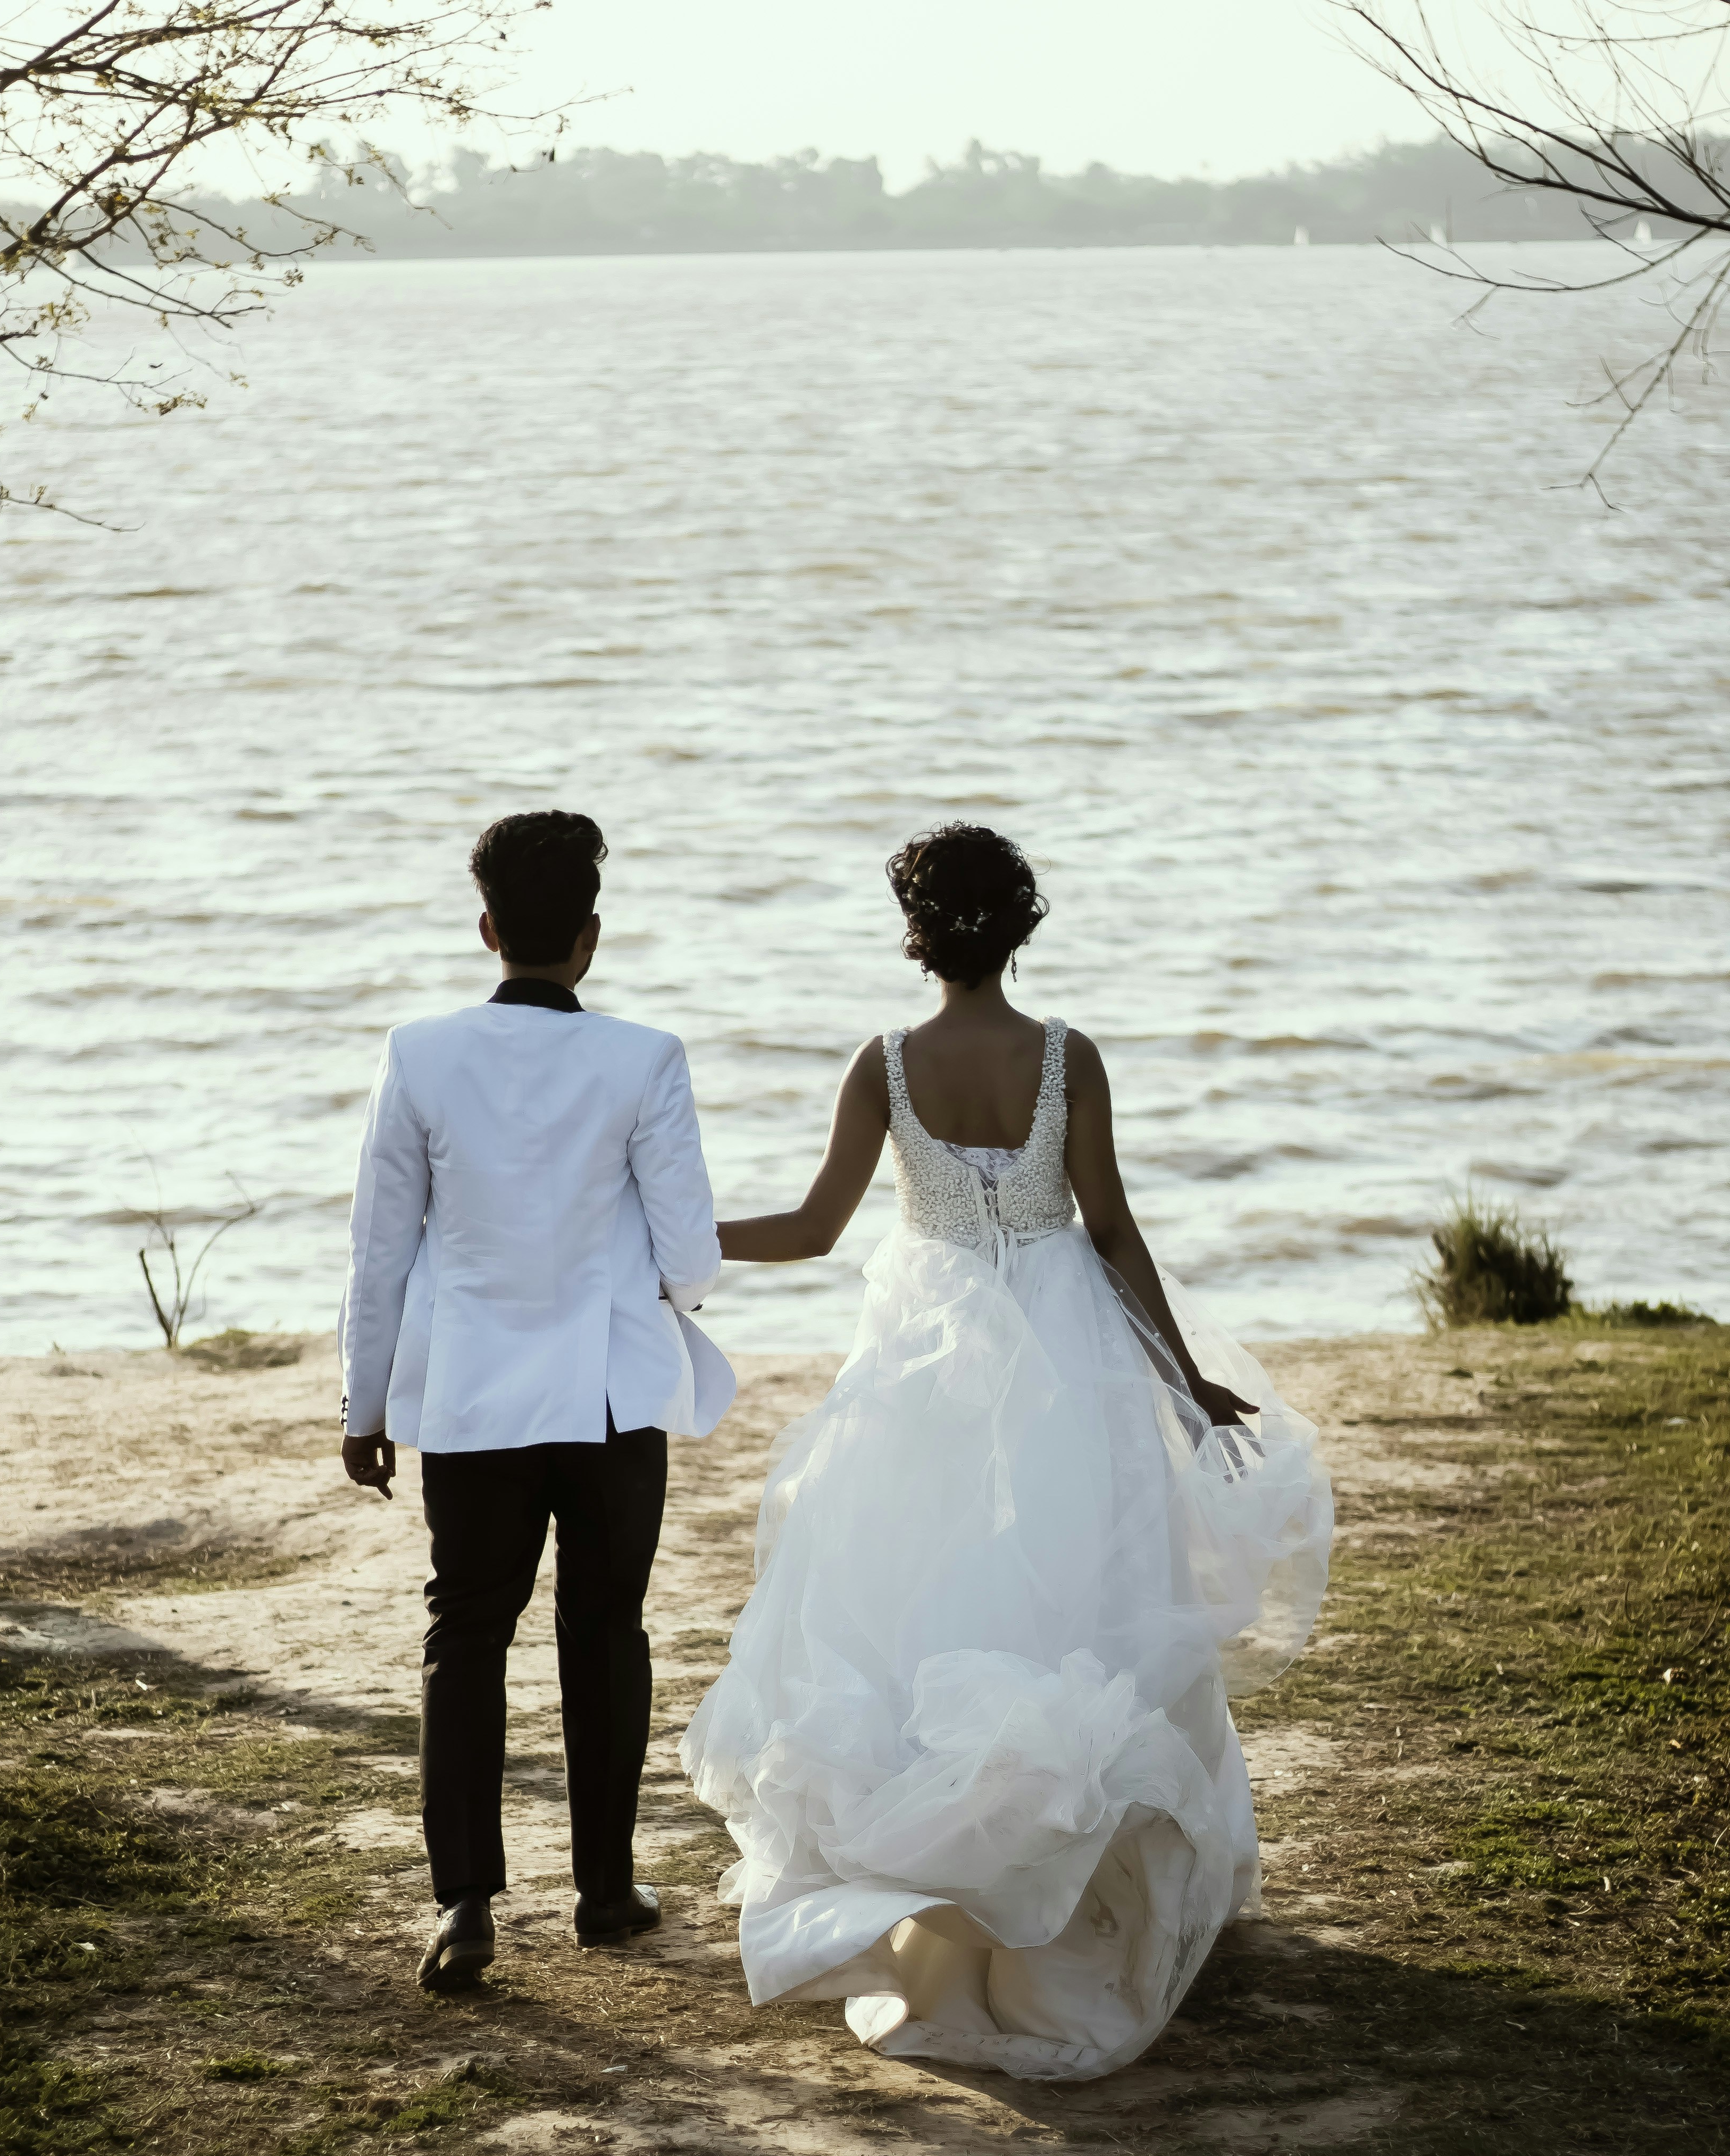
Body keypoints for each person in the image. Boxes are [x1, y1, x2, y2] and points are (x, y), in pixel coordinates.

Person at [683, 824, 1332, 2082]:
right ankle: (1081, 1889)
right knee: (1080, 1601)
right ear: (1019, 924)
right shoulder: (1065, 1058)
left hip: (927, 1365)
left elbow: (818, 1230)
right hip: (1068, 1359)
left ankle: (948, 1893)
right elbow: (1111, 1231)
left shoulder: (882, 1064)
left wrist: (679, 1249)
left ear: (917, 928)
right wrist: (1182, 1376)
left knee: (922, 1606)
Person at [340, 809, 734, 1990]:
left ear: (489, 929)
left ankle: (465, 1906)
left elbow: (378, 1252)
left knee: (465, 1635)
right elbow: (695, 1261)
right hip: (610, 1401)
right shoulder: (645, 1057)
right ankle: (606, 1894)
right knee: (603, 1632)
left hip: (469, 1401)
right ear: (591, 939)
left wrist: (365, 1409)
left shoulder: (418, 1052)